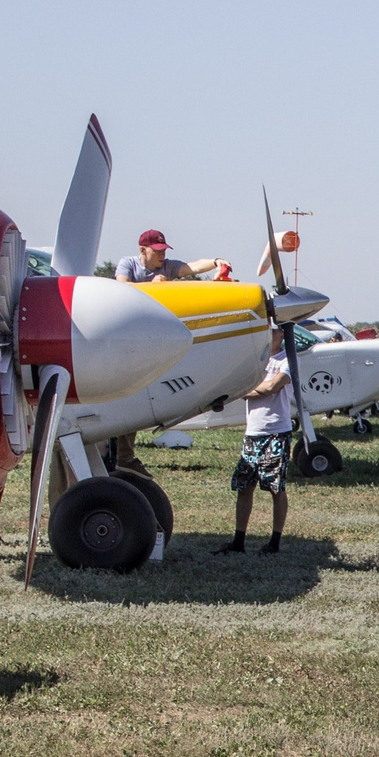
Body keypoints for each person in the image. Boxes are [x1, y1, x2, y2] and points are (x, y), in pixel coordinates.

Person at [220, 329, 296, 554]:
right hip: (252, 431)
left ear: (281, 334)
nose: (268, 336)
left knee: (275, 487)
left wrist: (243, 392)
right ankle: (238, 540)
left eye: (272, 332)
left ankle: (275, 541)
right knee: (245, 487)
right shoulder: (255, 362)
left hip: (276, 431)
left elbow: (273, 387)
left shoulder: (289, 360)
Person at [115, 229, 230, 283]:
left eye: (164, 250)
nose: (162, 254)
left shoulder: (167, 266)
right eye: (157, 251)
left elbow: (192, 267)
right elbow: (122, 286)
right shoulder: (128, 263)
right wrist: (151, 286)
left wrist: (215, 262)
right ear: (142, 250)